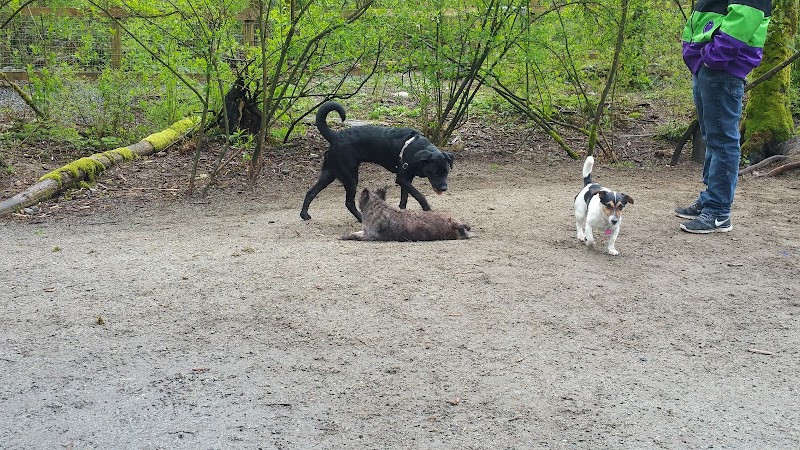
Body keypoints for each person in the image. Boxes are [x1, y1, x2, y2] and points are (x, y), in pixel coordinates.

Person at [676, 0, 771, 233]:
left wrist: (712, 58)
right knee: (712, 135)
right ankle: (710, 199)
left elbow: (745, 17)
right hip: (707, 64)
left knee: (722, 139)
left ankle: (719, 211)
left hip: (721, 66)